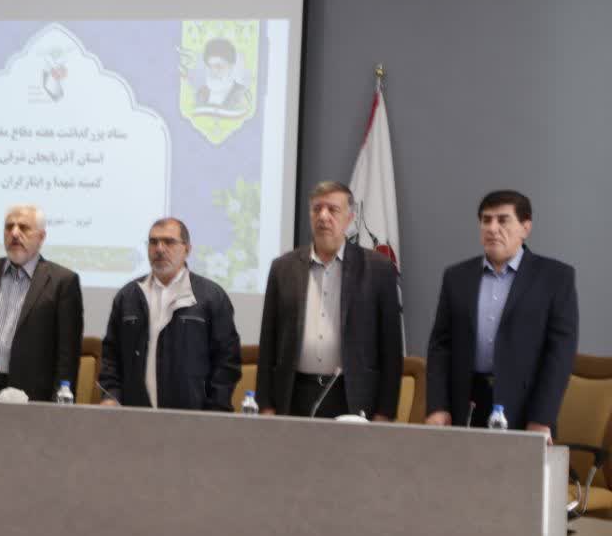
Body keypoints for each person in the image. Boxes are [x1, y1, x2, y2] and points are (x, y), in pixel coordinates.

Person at [425, 190, 578, 439]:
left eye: (503, 220)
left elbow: (560, 354)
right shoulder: (456, 277)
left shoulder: (555, 278)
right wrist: (437, 406)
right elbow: (440, 347)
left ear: (525, 227)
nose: (492, 228)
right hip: (465, 405)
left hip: (525, 409)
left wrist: (541, 418)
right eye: (486, 220)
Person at [256, 181, 404, 419]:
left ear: (349, 218)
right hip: (293, 395)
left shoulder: (378, 269)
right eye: (317, 209)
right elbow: (268, 343)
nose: (323, 216)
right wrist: (265, 405)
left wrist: (384, 413)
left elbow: (391, 350)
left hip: (352, 397)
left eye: (333, 210)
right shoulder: (283, 268)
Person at [98, 218, 241, 409]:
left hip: (195, 418)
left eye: (169, 242)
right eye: (153, 242)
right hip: (135, 414)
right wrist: (111, 396)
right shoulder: (128, 296)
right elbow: (111, 356)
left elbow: (227, 362)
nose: (159, 249)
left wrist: (214, 409)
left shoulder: (211, 297)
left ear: (187, 249)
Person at [0, 205, 83, 402]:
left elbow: (67, 356)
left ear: (41, 237)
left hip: (34, 396)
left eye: (24, 227)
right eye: (9, 227)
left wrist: (59, 405)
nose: (14, 233)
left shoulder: (63, 282)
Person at [193, 37, 252, 115]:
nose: (213, 72)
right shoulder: (201, 93)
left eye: (219, 66)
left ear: (231, 67)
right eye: (210, 66)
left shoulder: (242, 94)